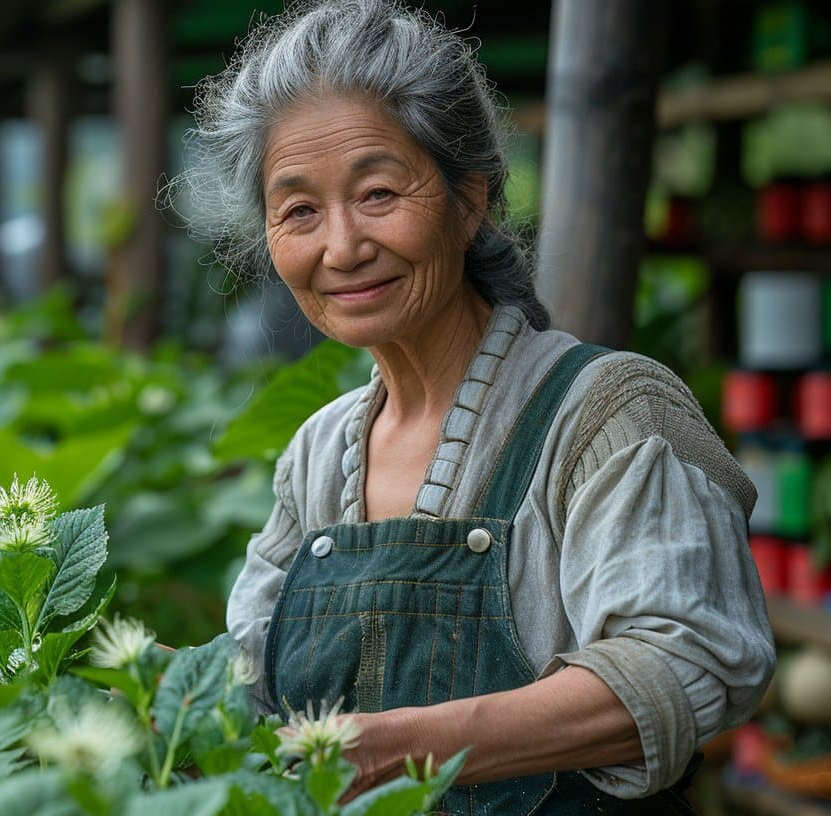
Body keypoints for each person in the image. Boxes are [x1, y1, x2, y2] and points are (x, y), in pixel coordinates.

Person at [173, 1, 776, 812]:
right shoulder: (317, 455)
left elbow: (688, 659)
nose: (342, 247)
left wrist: (405, 748)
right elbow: (249, 695)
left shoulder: (606, 414)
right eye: (300, 211)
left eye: (379, 192)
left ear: (472, 199)